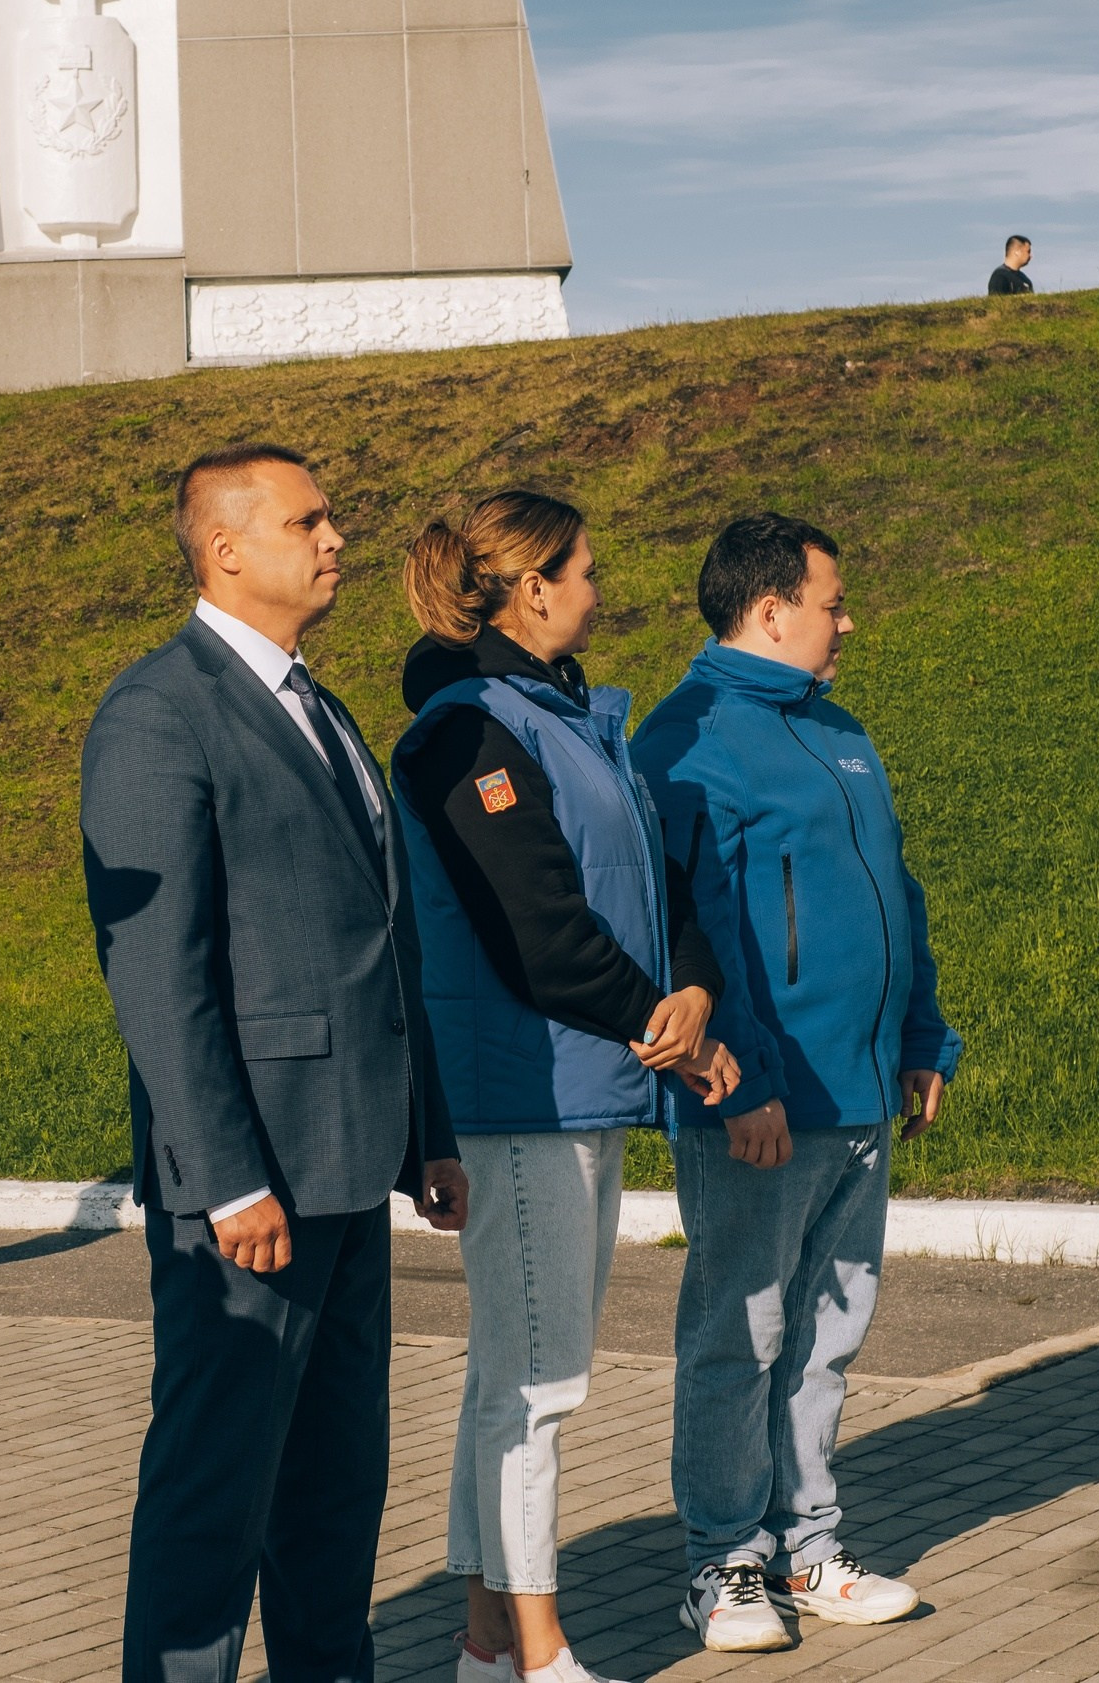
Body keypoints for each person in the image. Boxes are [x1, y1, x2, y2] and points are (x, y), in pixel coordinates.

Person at [81, 442, 470, 1683]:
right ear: (226, 549)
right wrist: (228, 1176)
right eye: (309, 522)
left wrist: (431, 1133)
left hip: (352, 1166)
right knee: (215, 1489)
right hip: (251, 1187)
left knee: (333, 1491)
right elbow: (158, 972)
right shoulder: (158, 712)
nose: (337, 538)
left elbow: (379, 938)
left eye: (332, 519)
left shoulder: (319, 704)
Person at [388, 492, 739, 1683]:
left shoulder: (574, 718)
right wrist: (667, 1027)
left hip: (588, 1085)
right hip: (518, 1099)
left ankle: (488, 1640)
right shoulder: (465, 729)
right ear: (531, 587)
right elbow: (534, 928)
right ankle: (538, 1654)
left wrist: (688, 992)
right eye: (584, 569)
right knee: (538, 1383)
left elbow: (654, 878)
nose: (600, 587)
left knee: (510, 1373)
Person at [629, 511, 963, 1653]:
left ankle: (806, 1549)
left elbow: (894, 893)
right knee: (741, 1332)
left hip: (862, 1091)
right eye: (832, 600)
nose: (847, 619)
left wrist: (923, 1036)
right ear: (769, 611)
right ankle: (722, 1565)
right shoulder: (689, 742)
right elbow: (699, 937)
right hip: (763, 1105)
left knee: (827, 1335)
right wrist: (741, 1085)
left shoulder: (841, 732)